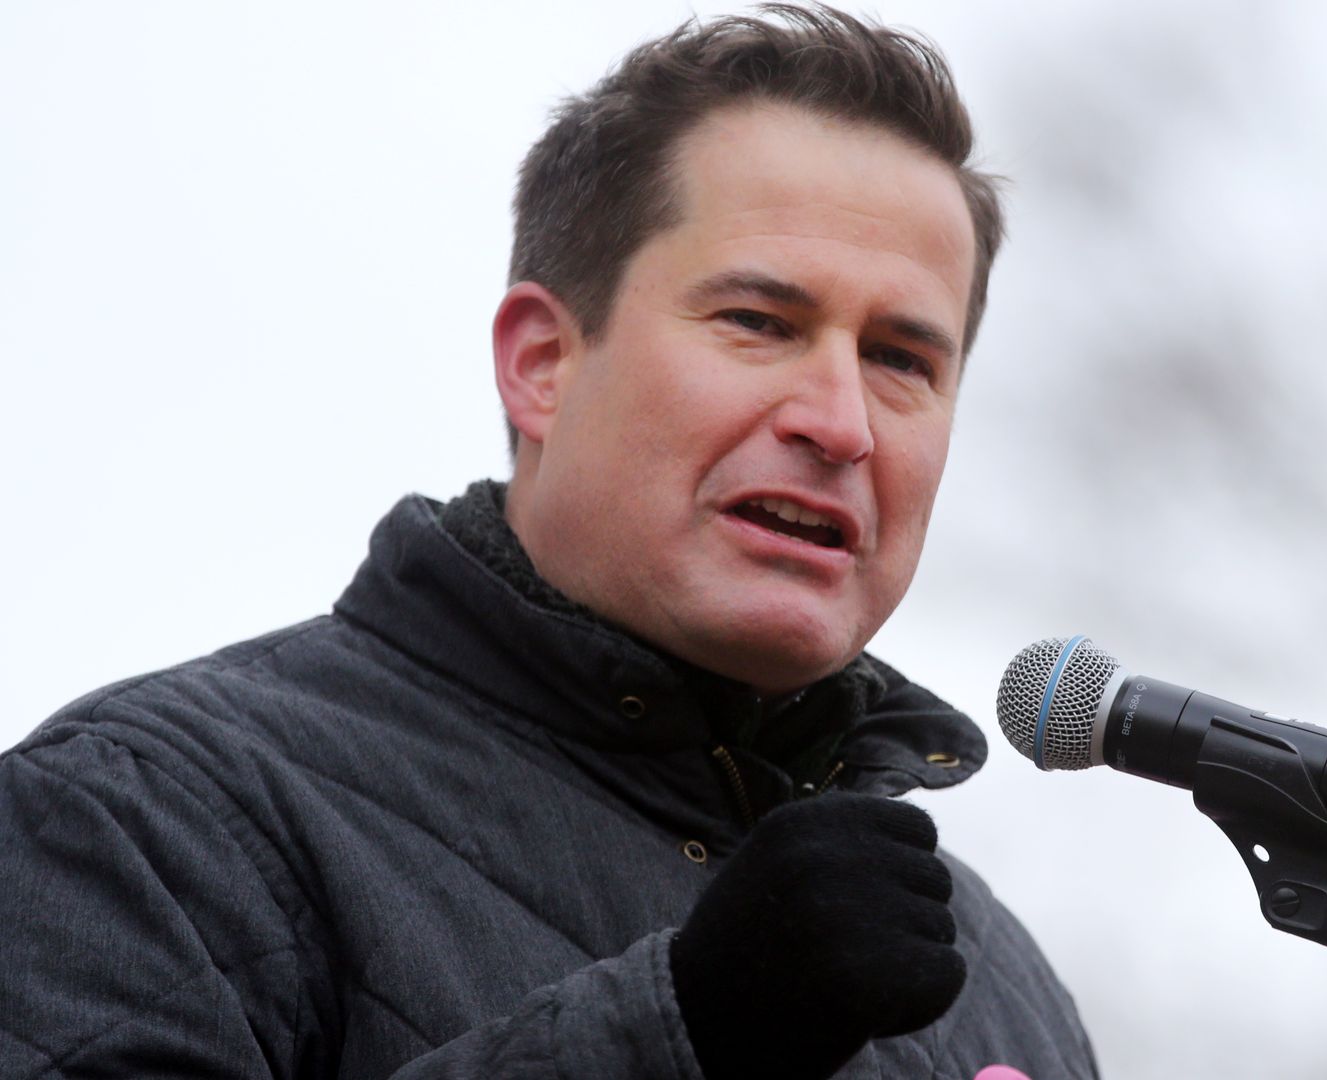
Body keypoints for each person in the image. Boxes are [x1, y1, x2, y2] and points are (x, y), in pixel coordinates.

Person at [0, 6, 1098, 1079]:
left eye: (903, 359)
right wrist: (692, 1033)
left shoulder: (1008, 989)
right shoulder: (141, 814)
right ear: (542, 363)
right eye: (760, 323)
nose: (842, 422)